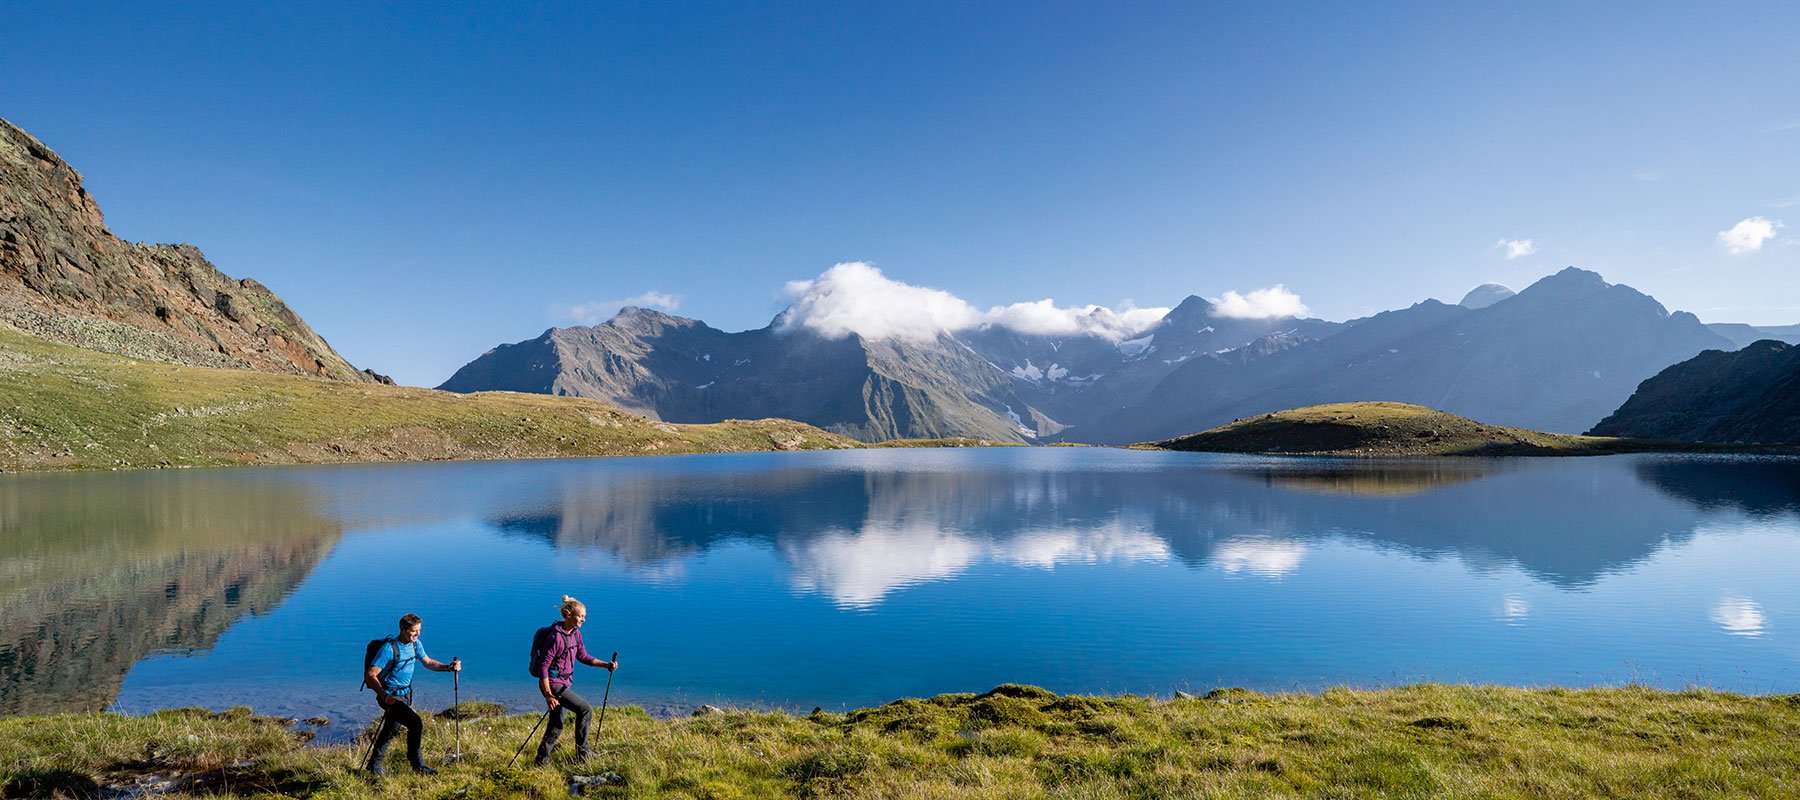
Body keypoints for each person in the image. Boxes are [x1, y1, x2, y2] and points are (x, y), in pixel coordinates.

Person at [364, 613, 461, 776]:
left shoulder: (415, 645)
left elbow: (428, 662)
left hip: (406, 694)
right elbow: (371, 675)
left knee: (391, 729)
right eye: (414, 631)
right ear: (403, 629)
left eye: (419, 630)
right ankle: (418, 766)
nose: (418, 634)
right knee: (416, 723)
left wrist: (448, 667)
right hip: (390, 696)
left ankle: (374, 764)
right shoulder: (389, 649)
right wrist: (383, 695)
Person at [530, 595, 617, 766]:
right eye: (581, 616)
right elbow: (543, 668)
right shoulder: (555, 638)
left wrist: (606, 665)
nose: (584, 620)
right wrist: (548, 695)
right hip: (554, 685)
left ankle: (541, 761)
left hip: (564, 682)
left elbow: (582, 656)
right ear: (568, 616)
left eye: (584, 616)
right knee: (585, 709)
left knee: (556, 723)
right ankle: (583, 756)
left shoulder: (575, 634)